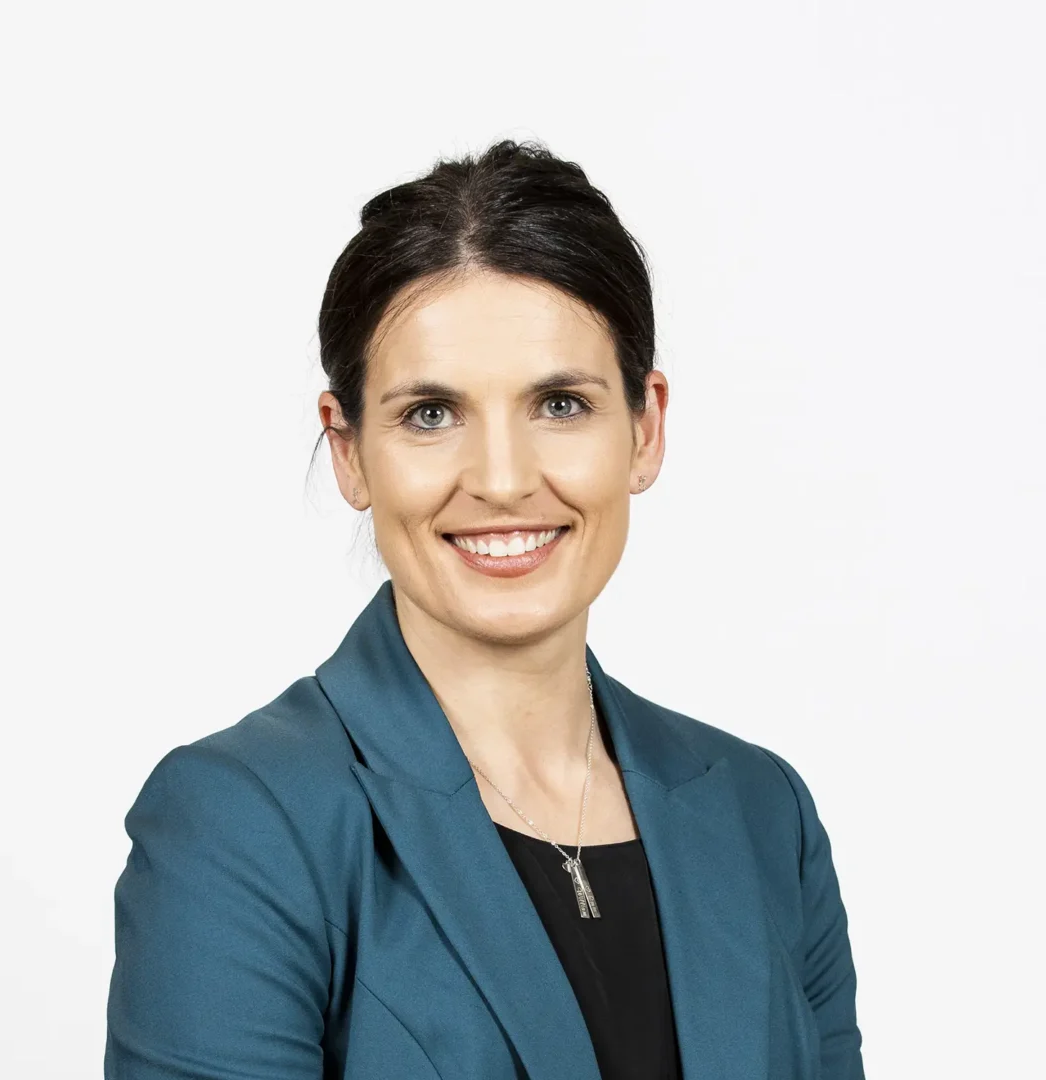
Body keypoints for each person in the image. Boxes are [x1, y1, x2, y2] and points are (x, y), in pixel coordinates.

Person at [104, 139, 865, 1080]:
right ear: (349, 452)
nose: (502, 481)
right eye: (431, 413)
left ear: (646, 427)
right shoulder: (240, 823)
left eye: (561, 404)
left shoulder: (762, 813)